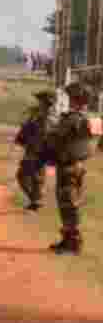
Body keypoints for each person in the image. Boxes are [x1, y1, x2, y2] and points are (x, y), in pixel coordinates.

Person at [43, 82, 99, 254]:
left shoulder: (71, 118)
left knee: (68, 205)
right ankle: (68, 240)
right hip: (78, 165)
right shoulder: (90, 118)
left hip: (67, 166)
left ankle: (72, 243)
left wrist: (51, 124)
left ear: (75, 99)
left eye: (70, 97)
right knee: (71, 204)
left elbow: (54, 138)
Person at [15, 90, 58, 211]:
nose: (38, 103)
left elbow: (42, 135)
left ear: (46, 102)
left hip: (38, 152)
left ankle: (36, 200)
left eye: (40, 101)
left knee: (25, 176)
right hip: (36, 151)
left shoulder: (47, 118)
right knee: (34, 178)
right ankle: (35, 201)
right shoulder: (39, 115)